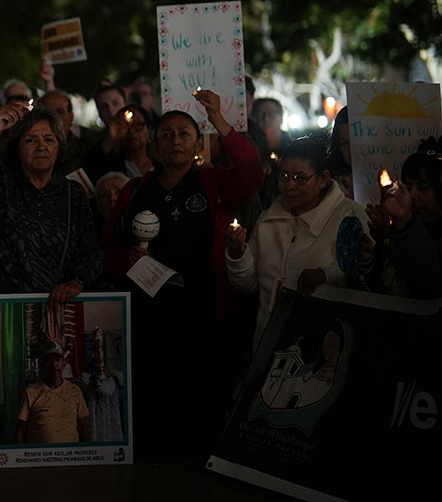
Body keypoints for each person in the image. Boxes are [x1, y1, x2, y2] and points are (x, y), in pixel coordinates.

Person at [102, 90, 262, 453]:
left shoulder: (215, 183)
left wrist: (219, 119)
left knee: (202, 408)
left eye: (184, 134)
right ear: (154, 144)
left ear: (196, 142)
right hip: (149, 317)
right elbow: (109, 246)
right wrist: (125, 260)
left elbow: (252, 173)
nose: (175, 140)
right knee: (151, 404)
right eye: (167, 134)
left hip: (206, 315)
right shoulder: (136, 189)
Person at [0, 103, 101, 307]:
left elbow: (90, 250)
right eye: (31, 140)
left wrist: (77, 282)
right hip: (4, 309)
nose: (41, 146)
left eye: (49, 139)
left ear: (59, 147)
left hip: (58, 307)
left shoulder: (72, 192)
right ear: (17, 148)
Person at [226, 137, 369, 351]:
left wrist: (324, 275)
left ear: (322, 179)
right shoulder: (268, 220)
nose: (290, 185)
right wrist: (238, 254)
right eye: (284, 176)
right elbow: (250, 283)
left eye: (300, 178)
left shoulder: (348, 217)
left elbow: (363, 278)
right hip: (268, 342)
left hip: (322, 346)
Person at [362, 140, 442, 299]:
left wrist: (405, 224)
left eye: (423, 187)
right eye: (409, 186)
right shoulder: (401, 228)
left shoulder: (409, 227)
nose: (413, 195)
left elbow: (430, 286)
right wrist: (381, 242)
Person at [15, 342, 89, 444]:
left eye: (57, 360)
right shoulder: (31, 392)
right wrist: (21, 454)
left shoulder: (75, 390)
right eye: (48, 361)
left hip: (69, 456)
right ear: (42, 365)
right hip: (38, 457)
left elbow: (82, 426)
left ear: (64, 363)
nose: (54, 365)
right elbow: (21, 428)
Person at [79, 105, 156, 185]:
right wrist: (110, 139)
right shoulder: (109, 167)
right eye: (125, 126)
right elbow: (87, 171)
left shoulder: (161, 167)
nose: (131, 131)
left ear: (148, 131)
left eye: (138, 125)